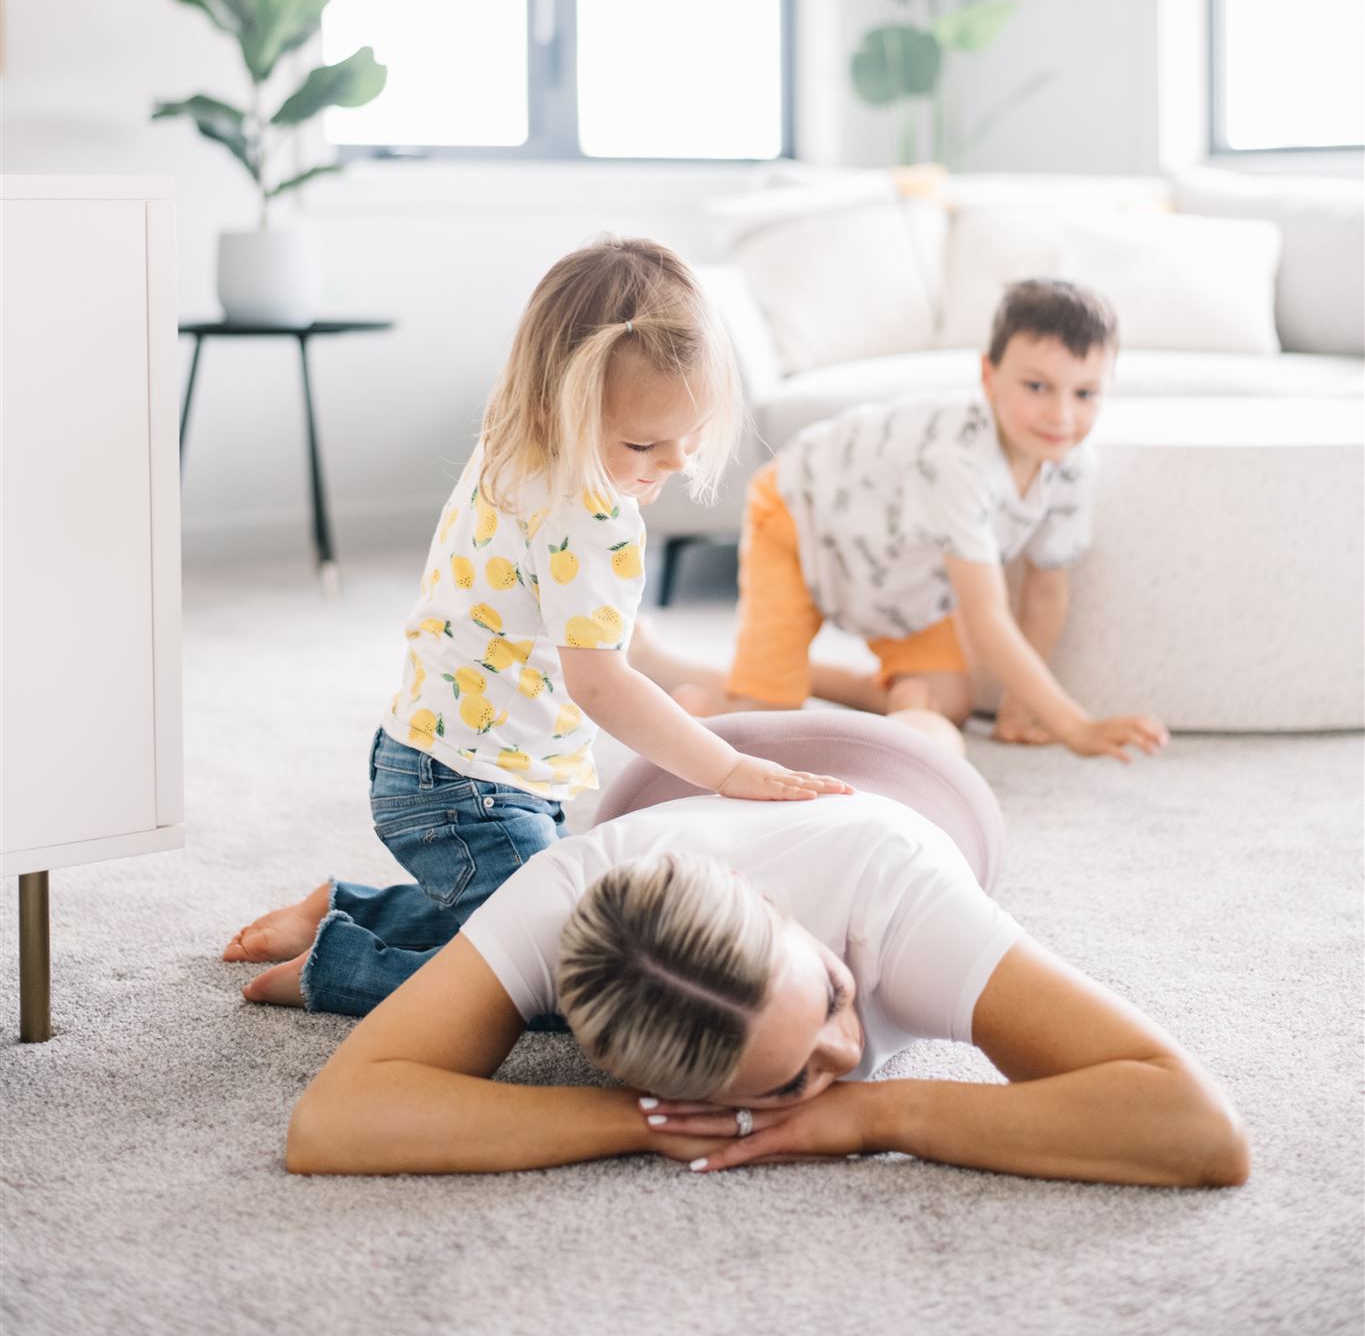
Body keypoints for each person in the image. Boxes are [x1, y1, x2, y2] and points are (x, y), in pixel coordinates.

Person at [222, 238, 848, 1016]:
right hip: (467, 789)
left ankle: (349, 906)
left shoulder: (510, 442)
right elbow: (601, 682)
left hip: (438, 760)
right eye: (644, 444)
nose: (676, 462)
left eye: (690, 434)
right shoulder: (593, 522)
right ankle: (340, 966)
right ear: (562, 406)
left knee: (514, 912)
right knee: (563, 978)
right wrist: (723, 769)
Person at [281, 714, 1249, 1187]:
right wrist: (632, 1121)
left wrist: (881, 1111)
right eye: (785, 1083)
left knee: (929, 720)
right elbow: (331, 1120)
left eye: (829, 990)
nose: (847, 1042)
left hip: (903, 785)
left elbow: (1199, 1127)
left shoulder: (901, 905)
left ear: (776, 911)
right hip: (662, 791)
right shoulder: (569, 894)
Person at [636, 278, 1167, 764]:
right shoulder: (959, 462)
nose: (1061, 416)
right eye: (1036, 387)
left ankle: (796, 675)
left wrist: (1021, 708)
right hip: (801, 516)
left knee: (949, 703)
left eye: (1085, 394)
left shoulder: (1071, 464)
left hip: (900, 569)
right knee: (763, 716)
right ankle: (666, 665)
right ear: (989, 376)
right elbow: (986, 617)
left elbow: (1047, 590)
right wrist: (1075, 726)